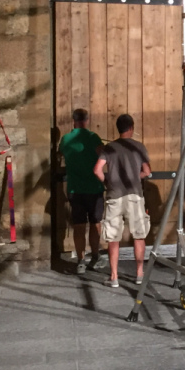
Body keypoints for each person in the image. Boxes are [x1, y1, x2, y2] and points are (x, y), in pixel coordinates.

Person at [94, 113, 151, 288]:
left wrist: (108, 182)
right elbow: (147, 171)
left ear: (118, 128)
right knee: (139, 235)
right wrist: (135, 177)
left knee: (113, 238)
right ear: (131, 128)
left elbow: (97, 170)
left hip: (114, 196)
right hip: (135, 196)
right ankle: (139, 274)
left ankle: (114, 277)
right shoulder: (139, 147)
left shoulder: (109, 148)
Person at [59, 109, 105, 274]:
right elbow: (103, 156)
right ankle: (95, 256)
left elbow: (60, 155)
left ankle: (80, 261)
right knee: (95, 223)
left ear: (74, 120)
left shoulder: (65, 139)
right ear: (86, 120)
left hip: (75, 188)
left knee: (79, 225)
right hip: (94, 187)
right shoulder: (93, 138)